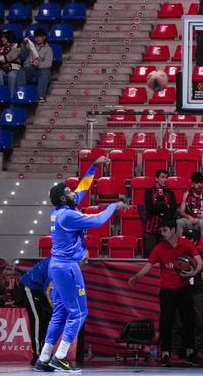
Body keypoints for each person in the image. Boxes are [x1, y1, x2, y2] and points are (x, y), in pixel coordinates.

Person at [35, 158, 122, 373]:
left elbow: (82, 189)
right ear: (64, 197)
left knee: (61, 313)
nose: (74, 192)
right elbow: (98, 221)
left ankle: (44, 357)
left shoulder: (60, 211)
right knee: (79, 313)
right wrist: (114, 206)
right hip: (67, 267)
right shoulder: (69, 216)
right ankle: (60, 356)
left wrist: (94, 165)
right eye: (69, 191)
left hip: (57, 266)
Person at [129, 219, 203, 367]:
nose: (162, 234)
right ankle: (165, 354)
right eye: (161, 231)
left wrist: (193, 272)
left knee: (189, 322)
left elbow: (199, 261)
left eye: (165, 230)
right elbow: (148, 266)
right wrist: (136, 277)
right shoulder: (159, 248)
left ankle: (190, 352)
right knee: (166, 324)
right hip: (167, 291)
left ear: (174, 230)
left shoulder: (186, 244)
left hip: (183, 290)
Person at [174, 228, 203, 362]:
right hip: (180, 292)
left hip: (197, 294)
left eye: (188, 239)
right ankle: (176, 351)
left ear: (194, 241)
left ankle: (198, 351)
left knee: (198, 324)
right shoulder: (177, 255)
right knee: (178, 323)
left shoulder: (202, 256)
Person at [20, 257, 52, 365]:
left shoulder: (67, 263)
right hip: (30, 287)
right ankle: (38, 356)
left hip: (41, 289)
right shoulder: (56, 265)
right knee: (37, 319)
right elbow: (48, 289)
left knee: (48, 319)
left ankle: (45, 352)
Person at [143, 169, 177, 256]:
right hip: (151, 229)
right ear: (156, 179)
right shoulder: (149, 192)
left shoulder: (170, 194)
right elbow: (150, 209)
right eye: (162, 177)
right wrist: (165, 207)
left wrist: (159, 208)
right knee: (150, 257)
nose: (165, 179)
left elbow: (172, 211)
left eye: (166, 178)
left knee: (165, 257)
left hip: (166, 231)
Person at [177, 171, 203, 242]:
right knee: (179, 222)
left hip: (201, 220)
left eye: (201, 183)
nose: (199, 185)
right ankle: (180, 244)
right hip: (190, 220)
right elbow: (181, 211)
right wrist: (188, 217)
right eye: (196, 183)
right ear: (192, 183)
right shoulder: (187, 194)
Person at [21, 28, 53, 102]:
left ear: (44, 37)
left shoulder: (48, 49)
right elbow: (24, 59)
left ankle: (40, 96)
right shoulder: (32, 47)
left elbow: (48, 63)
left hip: (41, 70)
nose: (37, 39)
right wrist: (30, 64)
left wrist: (38, 64)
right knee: (21, 71)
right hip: (31, 69)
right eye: (36, 37)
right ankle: (21, 93)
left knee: (45, 72)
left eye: (39, 37)